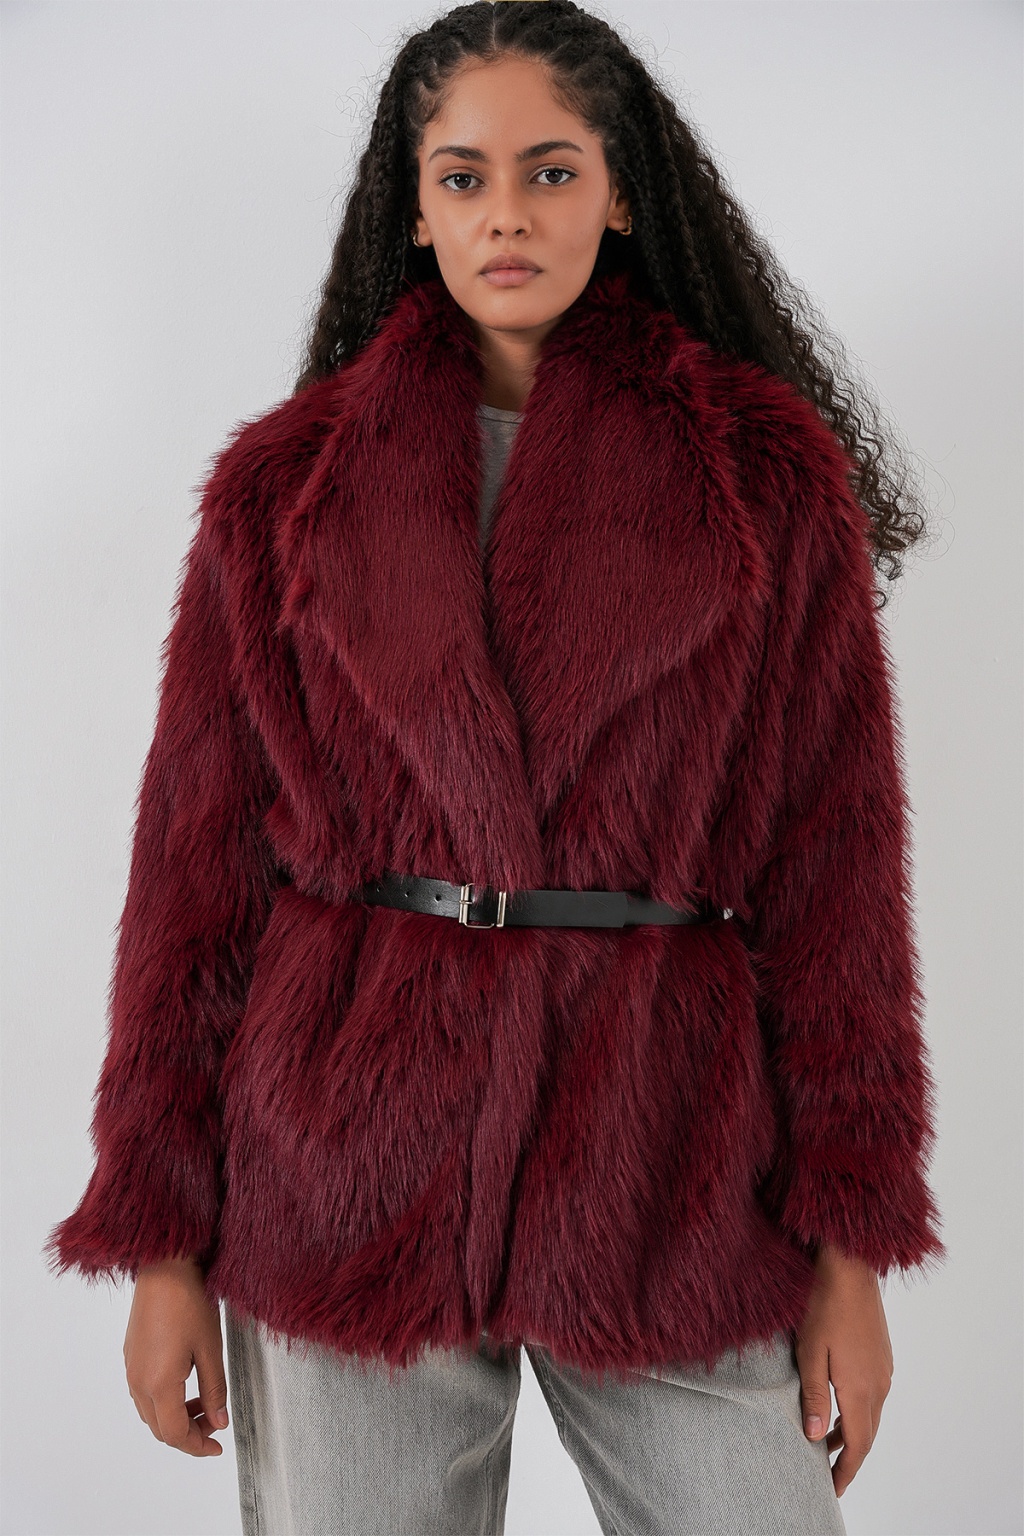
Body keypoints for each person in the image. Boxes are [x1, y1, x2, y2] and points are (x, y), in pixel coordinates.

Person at [44, 3, 947, 1532]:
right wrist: (161, 1242)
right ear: (414, 208)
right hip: (344, 1171)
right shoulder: (286, 491)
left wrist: (851, 1254)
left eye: (550, 171)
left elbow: (836, 885)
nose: (506, 214)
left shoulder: (765, 487)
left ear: (620, 190)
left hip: (664, 1166)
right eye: (463, 177)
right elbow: (192, 881)